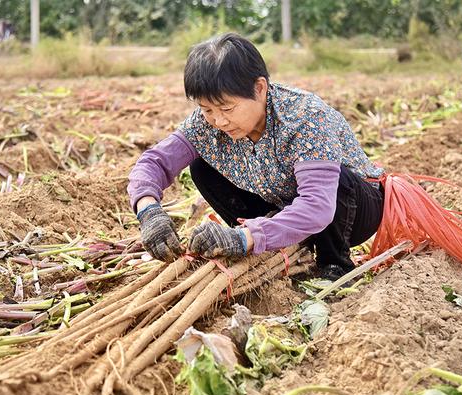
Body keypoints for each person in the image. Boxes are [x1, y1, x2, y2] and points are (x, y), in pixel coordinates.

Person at [127, 33, 385, 281]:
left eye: (227, 108)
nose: (218, 120)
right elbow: (155, 162)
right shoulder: (206, 124)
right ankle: (263, 240)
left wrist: (242, 238)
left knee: (335, 178)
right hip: (284, 203)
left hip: (353, 209)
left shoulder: (305, 116)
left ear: (260, 88)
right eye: (207, 109)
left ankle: (334, 263)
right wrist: (149, 211)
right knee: (201, 168)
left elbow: (318, 205)